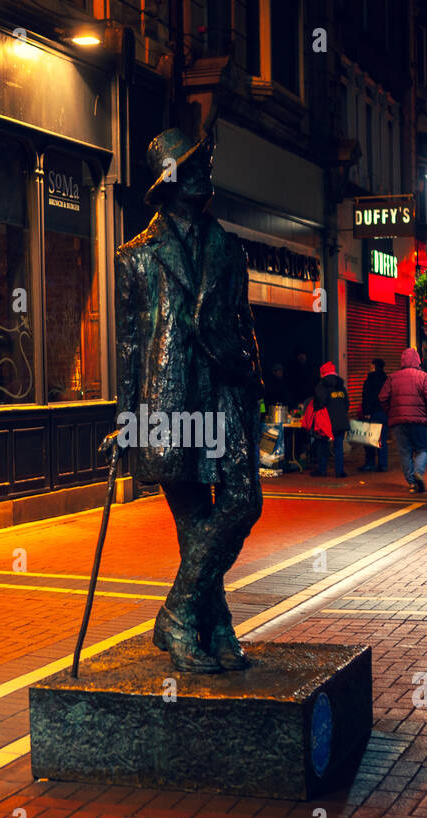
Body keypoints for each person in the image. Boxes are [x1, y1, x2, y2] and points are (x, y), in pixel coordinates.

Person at [109, 125, 262, 673]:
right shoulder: (136, 256)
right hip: (169, 401)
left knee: (244, 500)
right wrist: (126, 419)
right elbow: (129, 345)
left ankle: (177, 614)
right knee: (195, 519)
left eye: (205, 163)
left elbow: (244, 324)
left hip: (225, 391)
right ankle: (215, 626)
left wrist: (255, 390)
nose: (204, 172)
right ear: (169, 180)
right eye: (192, 165)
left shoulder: (229, 247)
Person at [379, 347, 427, 493]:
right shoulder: (424, 377)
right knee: (422, 449)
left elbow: (382, 397)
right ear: (418, 360)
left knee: (405, 452)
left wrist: (391, 412)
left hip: (398, 422)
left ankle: (411, 483)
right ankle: (418, 472)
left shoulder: (393, 377)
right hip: (419, 420)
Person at [310, 361, 349, 477]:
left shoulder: (321, 386)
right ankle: (339, 472)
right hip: (341, 420)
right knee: (338, 447)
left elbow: (320, 403)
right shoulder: (341, 386)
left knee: (323, 445)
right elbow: (347, 404)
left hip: (326, 421)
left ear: (323, 373)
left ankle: (322, 470)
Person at [358, 358, 389, 472]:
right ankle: (383, 464)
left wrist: (366, 412)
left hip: (372, 413)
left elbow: (367, 397)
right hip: (384, 413)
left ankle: (370, 463)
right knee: (382, 439)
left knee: (370, 440)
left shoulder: (370, 380)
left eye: (371, 366)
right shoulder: (386, 380)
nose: (369, 367)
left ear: (374, 367)